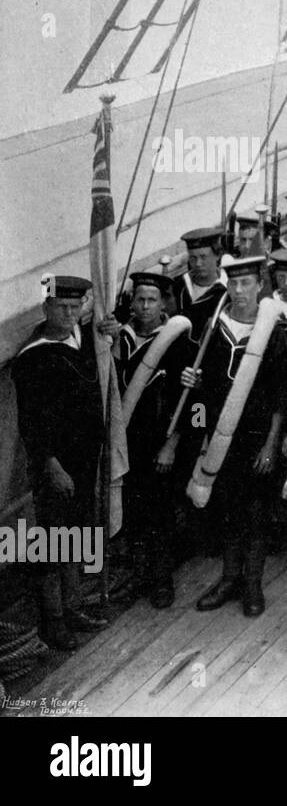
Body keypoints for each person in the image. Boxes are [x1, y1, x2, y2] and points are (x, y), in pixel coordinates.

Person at [182, 256, 287, 618]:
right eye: (234, 284)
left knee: (257, 513)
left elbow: (280, 396)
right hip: (219, 437)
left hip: (257, 437)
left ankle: (253, 583)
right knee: (228, 510)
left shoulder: (272, 330)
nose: (239, 291)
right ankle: (229, 578)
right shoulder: (216, 326)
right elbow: (201, 393)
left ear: (260, 285)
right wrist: (200, 425)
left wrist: (271, 444)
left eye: (246, 284)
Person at [11, 276, 110, 650]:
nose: (69, 314)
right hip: (56, 466)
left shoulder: (81, 338)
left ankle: (75, 608)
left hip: (85, 461)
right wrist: (51, 465)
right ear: (45, 309)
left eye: (75, 307)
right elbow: (30, 422)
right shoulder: (33, 357)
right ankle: (53, 622)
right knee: (53, 543)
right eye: (61, 308)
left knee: (77, 536)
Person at [113, 272, 186, 609]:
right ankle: (138, 577)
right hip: (125, 442)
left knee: (161, 515)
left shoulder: (179, 343)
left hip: (161, 444)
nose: (145, 306)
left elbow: (195, 405)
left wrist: (173, 443)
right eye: (139, 299)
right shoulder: (119, 340)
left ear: (162, 304)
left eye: (152, 300)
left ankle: (161, 580)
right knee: (133, 512)